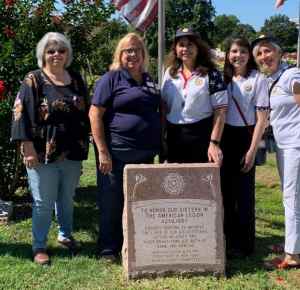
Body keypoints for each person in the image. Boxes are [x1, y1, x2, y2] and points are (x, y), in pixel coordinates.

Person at [11, 32, 90, 265]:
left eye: (61, 50)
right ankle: (39, 246)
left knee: (67, 197)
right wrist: (27, 147)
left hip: (73, 150)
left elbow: (86, 112)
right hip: (41, 151)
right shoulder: (33, 79)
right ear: (43, 54)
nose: (56, 54)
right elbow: (20, 113)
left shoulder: (76, 79)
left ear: (68, 54)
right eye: (51, 50)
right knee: (43, 201)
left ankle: (65, 235)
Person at [89, 32, 160, 261]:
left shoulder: (149, 80)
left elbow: (159, 109)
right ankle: (108, 248)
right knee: (112, 202)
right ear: (120, 54)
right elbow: (94, 114)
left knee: (140, 201)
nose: (132, 54)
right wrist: (102, 150)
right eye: (127, 50)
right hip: (116, 154)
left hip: (145, 154)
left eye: (137, 50)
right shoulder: (111, 79)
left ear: (143, 54)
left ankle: (137, 243)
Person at [253, 35, 300, 269]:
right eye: (259, 53)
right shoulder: (272, 79)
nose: (264, 56)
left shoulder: (292, 75)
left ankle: (293, 255)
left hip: (295, 144)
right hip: (284, 145)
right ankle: (293, 244)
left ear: (279, 53)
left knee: (291, 198)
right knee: (290, 195)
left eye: (268, 51)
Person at [221, 38, 269, 258]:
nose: (237, 55)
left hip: (246, 137)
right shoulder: (222, 78)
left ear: (249, 55)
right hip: (224, 136)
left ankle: (245, 244)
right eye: (233, 51)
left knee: (244, 193)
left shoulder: (258, 79)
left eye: (242, 51)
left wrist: (251, 151)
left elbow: (262, 119)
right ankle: (227, 240)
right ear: (227, 54)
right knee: (226, 192)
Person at [161, 27, 227, 165]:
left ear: (198, 48)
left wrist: (214, 143)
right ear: (176, 50)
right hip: (174, 137)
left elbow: (220, 111)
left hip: (201, 136)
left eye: (190, 44)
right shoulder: (169, 73)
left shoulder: (212, 74)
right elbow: (164, 106)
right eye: (181, 45)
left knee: (200, 184)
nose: (185, 49)